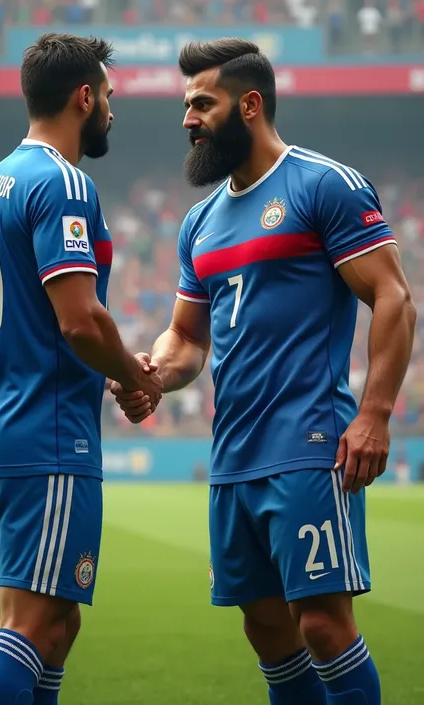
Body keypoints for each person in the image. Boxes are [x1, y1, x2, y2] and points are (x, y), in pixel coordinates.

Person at [111, 38, 416, 705]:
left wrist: (374, 414)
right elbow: (189, 338)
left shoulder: (322, 185)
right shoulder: (200, 223)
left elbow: (393, 296)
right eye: (186, 104)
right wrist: (153, 372)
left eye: (201, 103)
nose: (187, 118)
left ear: (250, 104)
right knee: (266, 627)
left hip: (309, 440)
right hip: (234, 453)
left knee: (324, 626)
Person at [0, 32, 162, 705]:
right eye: (108, 96)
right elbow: (79, 319)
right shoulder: (63, 181)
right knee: (34, 622)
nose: (112, 110)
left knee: (55, 623)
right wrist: (134, 373)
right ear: (84, 96)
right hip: (44, 432)